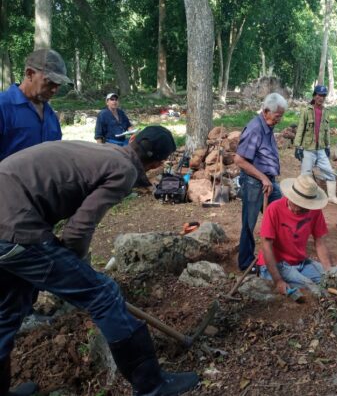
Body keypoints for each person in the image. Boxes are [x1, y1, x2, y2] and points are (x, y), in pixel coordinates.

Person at [0, 126, 199, 396]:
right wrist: (78, 264)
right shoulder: (124, 170)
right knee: (103, 294)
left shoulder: (103, 152)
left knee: (8, 309)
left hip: (9, 216)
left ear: (132, 139)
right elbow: (78, 229)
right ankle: (152, 386)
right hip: (15, 227)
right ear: (157, 164)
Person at [234, 93, 288, 271]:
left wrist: (268, 178)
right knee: (249, 223)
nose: (279, 119)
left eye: (281, 116)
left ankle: (278, 254)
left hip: (268, 182)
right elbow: (239, 160)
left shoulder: (267, 125)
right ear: (266, 111)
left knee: (281, 214)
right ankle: (246, 262)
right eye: (277, 116)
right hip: (253, 182)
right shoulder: (255, 129)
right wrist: (263, 177)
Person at [258, 174, 333, 295]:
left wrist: (329, 271)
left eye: (305, 207)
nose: (300, 210)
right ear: (290, 197)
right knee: (312, 289)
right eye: (298, 204)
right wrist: (278, 280)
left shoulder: (315, 211)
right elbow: (266, 245)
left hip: (301, 262)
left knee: (331, 281)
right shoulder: (274, 209)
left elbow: (320, 242)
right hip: (278, 264)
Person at [0, 48, 71, 162]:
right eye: (49, 82)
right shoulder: (3, 106)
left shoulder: (51, 115)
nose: (54, 90)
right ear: (29, 74)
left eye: (58, 84)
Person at [294, 85, 337, 205]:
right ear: (314, 95)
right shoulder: (306, 111)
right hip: (308, 148)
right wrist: (298, 146)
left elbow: (326, 130)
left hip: (321, 148)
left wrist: (327, 146)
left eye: (323, 96)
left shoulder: (326, 112)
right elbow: (301, 128)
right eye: (319, 95)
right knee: (305, 174)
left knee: (329, 172)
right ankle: (304, 198)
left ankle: (332, 197)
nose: (321, 98)